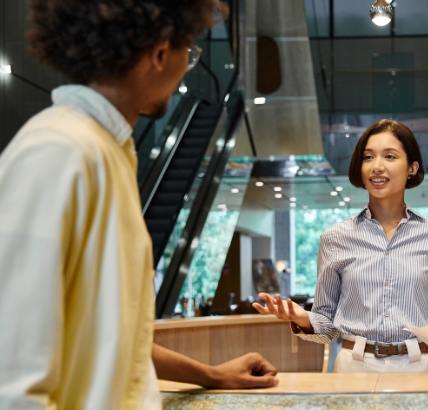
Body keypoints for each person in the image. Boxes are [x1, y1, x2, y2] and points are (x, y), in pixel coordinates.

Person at [0, 1, 277, 409]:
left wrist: (213, 374)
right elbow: (14, 378)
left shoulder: (105, 152)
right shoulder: (58, 152)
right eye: (191, 52)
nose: (188, 65)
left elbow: (113, 332)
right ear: (160, 54)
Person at [253, 120, 428, 372]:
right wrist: (303, 317)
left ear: (412, 167)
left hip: (419, 364)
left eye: (389, 156)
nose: (377, 167)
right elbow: (326, 325)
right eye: (368, 157)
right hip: (354, 367)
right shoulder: (335, 238)